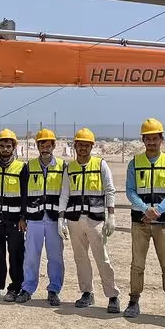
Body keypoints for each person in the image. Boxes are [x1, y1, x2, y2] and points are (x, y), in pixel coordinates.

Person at [122, 118, 165, 321]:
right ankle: (133, 300)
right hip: (139, 221)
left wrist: (158, 209)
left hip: (164, 221)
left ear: (161, 139)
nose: (151, 142)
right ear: (143, 140)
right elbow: (130, 191)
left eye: (154, 138)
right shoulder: (135, 163)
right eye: (147, 139)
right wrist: (144, 209)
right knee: (137, 263)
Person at [59, 127, 120, 313]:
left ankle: (112, 295)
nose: (83, 148)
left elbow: (109, 190)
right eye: (80, 145)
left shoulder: (101, 164)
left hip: (95, 220)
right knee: (80, 258)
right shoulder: (69, 168)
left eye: (86, 145)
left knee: (102, 258)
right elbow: (64, 194)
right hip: (74, 220)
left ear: (92, 146)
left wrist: (111, 215)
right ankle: (87, 292)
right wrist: (61, 218)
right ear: (75, 146)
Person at [16, 128, 65, 306]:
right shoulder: (28, 167)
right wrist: (22, 216)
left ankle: (53, 289)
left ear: (53, 145)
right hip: (34, 218)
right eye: (41, 145)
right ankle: (27, 288)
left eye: (48, 145)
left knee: (55, 257)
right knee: (31, 256)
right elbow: (23, 195)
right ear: (38, 146)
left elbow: (65, 194)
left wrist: (63, 218)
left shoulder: (62, 167)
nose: (45, 148)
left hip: (53, 220)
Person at [0, 129, 27, 302]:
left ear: (14, 147)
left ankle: (15, 287)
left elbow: (26, 195)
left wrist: (23, 217)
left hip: (15, 220)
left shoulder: (21, 168)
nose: (5, 149)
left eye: (8, 146)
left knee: (16, 254)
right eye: (2, 146)